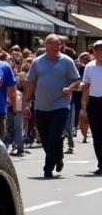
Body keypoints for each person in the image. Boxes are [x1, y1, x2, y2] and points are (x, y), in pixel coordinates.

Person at [23, 33, 81, 179]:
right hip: (41, 105)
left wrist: (70, 88)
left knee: (54, 135)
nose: (50, 44)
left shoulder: (67, 61)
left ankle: (48, 168)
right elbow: (31, 83)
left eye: (54, 42)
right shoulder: (37, 62)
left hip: (60, 103)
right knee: (44, 138)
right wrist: (26, 103)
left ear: (59, 46)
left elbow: (76, 80)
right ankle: (58, 156)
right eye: (48, 42)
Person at [79, 40, 102, 175]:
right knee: (97, 135)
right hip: (94, 102)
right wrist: (84, 106)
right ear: (93, 52)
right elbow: (86, 87)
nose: (99, 53)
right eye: (97, 51)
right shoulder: (90, 66)